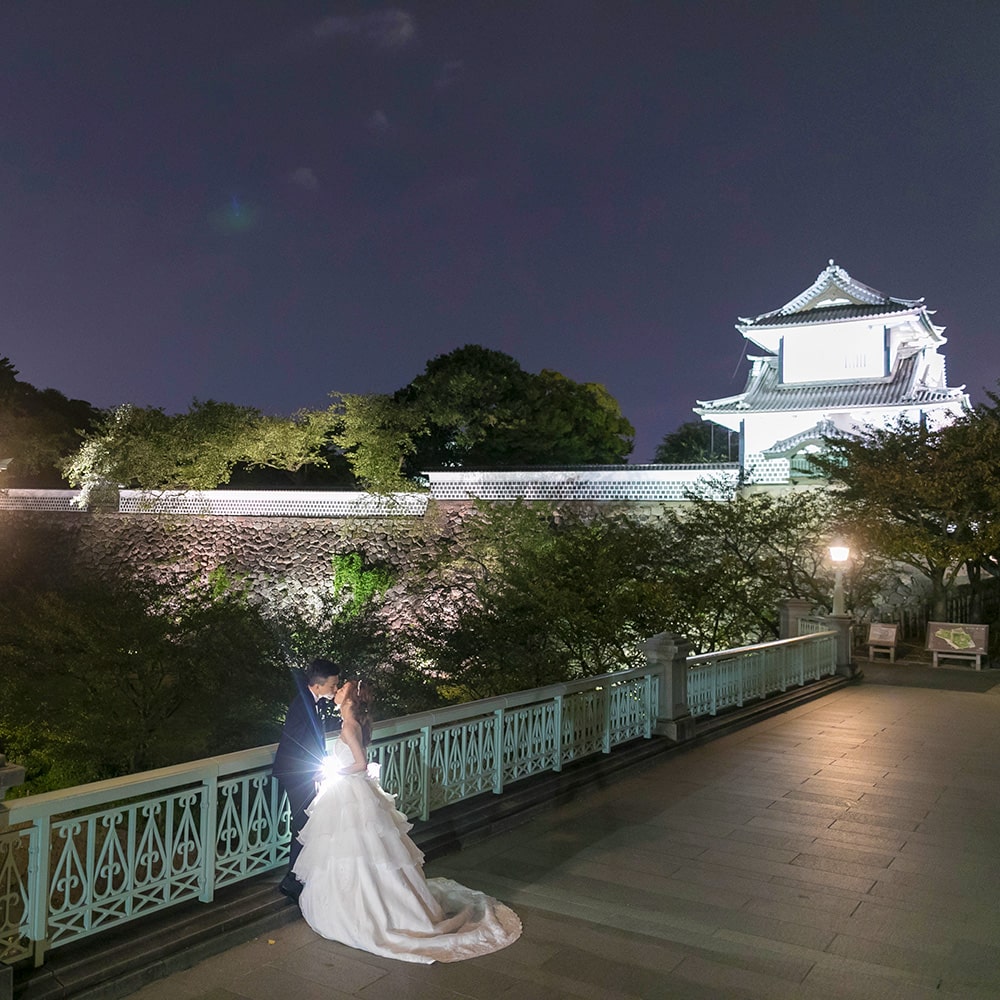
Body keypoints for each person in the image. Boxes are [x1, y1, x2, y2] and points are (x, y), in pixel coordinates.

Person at [293, 680, 522, 963]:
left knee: (353, 847)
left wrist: (335, 772)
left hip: (348, 791)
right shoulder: (355, 723)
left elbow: (361, 763)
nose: (336, 691)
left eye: (340, 690)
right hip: (353, 792)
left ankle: (359, 910)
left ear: (348, 699)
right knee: (366, 849)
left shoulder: (348, 726)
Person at [272, 659, 341, 899]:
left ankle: (298, 876)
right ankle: (292, 879)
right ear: (319, 684)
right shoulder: (304, 703)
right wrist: (313, 769)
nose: (336, 688)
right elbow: (298, 740)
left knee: (305, 823)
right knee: (303, 824)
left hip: (300, 773)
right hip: (297, 774)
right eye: (333, 684)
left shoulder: (309, 701)